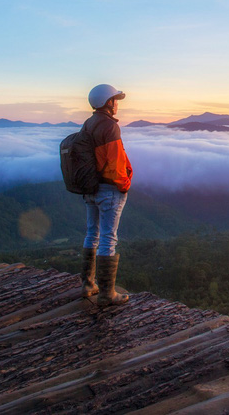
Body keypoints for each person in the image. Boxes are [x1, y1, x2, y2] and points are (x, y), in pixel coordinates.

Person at [80, 83, 133, 305]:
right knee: (108, 238)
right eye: (115, 100)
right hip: (108, 189)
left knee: (92, 233)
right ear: (108, 103)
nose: (117, 105)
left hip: (90, 188)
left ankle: (88, 284)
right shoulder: (110, 127)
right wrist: (124, 185)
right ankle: (107, 294)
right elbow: (114, 163)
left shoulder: (89, 123)